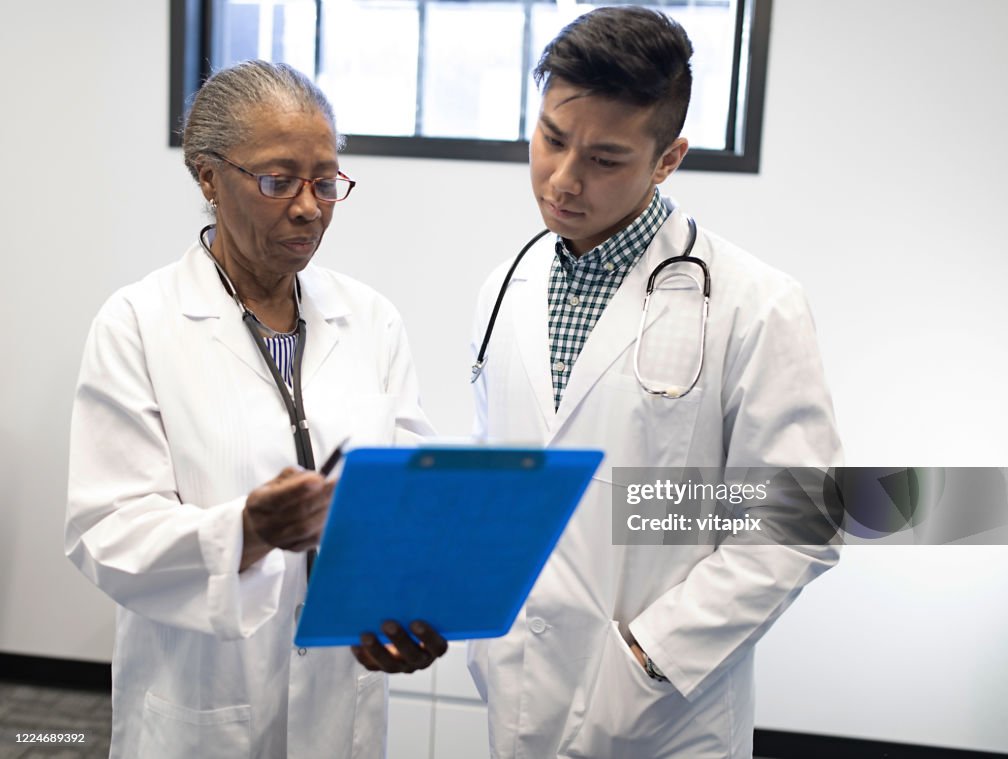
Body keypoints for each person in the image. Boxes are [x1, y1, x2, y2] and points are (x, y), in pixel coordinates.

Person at [467, 7, 842, 758]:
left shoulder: (753, 303)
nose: (563, 180)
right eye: (551, 139)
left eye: (605, 159)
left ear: (668, 158)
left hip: (665, 716)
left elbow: (801, 518)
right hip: (520, 692)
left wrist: (649, 656)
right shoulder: (507, 285)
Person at [65, 61, 446, 759]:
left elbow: (408, 495)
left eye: (326, 182)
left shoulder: (372, 320)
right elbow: (105, 530)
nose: (309, 206)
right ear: (208, 177)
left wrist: (408, 607)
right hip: (202, 707)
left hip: (343, 696)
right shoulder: (138, 324)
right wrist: (243, 530)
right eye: (278, 180)